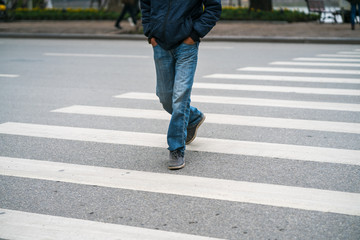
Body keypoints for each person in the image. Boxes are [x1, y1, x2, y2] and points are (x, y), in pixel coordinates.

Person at [140, 0, 222, 170]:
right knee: (165, 97)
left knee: (180, 96)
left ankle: (176, 148)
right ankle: (193, 117)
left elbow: (213, 8)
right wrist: (150, 33)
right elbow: (146, 5)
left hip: (186, 46)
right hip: (160, 45)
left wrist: (194, 35)